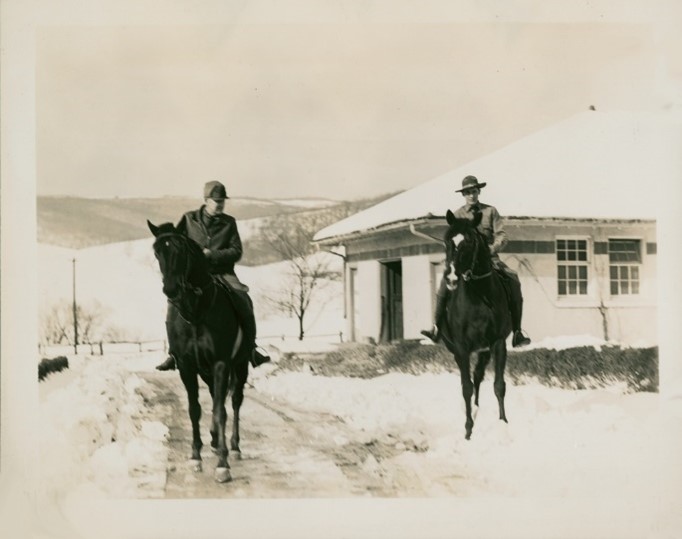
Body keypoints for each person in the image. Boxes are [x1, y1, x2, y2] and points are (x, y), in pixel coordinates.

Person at [155, 180, 270, 370]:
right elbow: (177, 244)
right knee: (173, 304)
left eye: (222, 200)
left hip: (223, 273)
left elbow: (236, 251)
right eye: (216, 200)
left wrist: (212, 255)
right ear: (206, 200)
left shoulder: (229, 223)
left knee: (244, 300)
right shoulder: (188, 219)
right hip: (194, 277)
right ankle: (174, 354)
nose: (220, 204)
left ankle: (251, 349)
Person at [420, 175, 532, 348]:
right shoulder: (458, 214)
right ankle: (436, 327)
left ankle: (517, 332)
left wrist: (491, 249)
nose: (471, 195)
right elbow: (453, 239)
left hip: (490, 260)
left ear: (478, 191)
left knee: (513, 279)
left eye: (473, 191)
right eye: (467, 192)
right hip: (463, 263)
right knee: (444, 283)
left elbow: (501, 235)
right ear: (463, 195)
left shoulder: (491, 211)